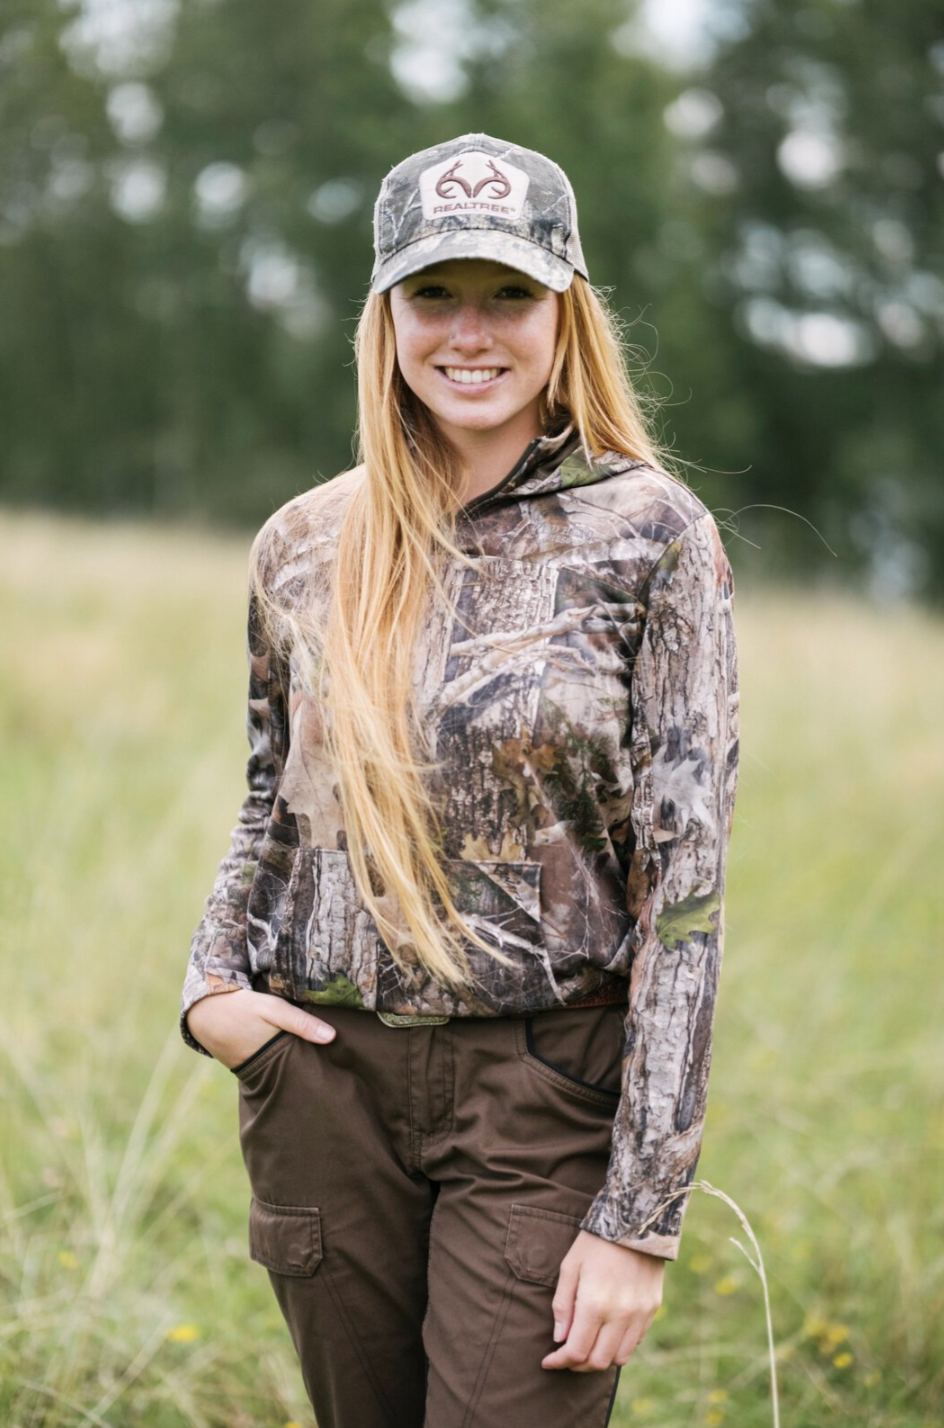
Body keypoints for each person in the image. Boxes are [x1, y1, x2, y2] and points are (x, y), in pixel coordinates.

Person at [179, 133, 740, 1428]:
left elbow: (689, 891)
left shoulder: (652, 537)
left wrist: (640, 1218)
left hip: (542, 1097)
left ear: (565, 311)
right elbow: (273, 796)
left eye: (509, 295)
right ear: (386, 314)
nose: (470, 332)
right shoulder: (305, 542)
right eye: (436, 294)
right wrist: (212, 992)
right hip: (327, 1087)